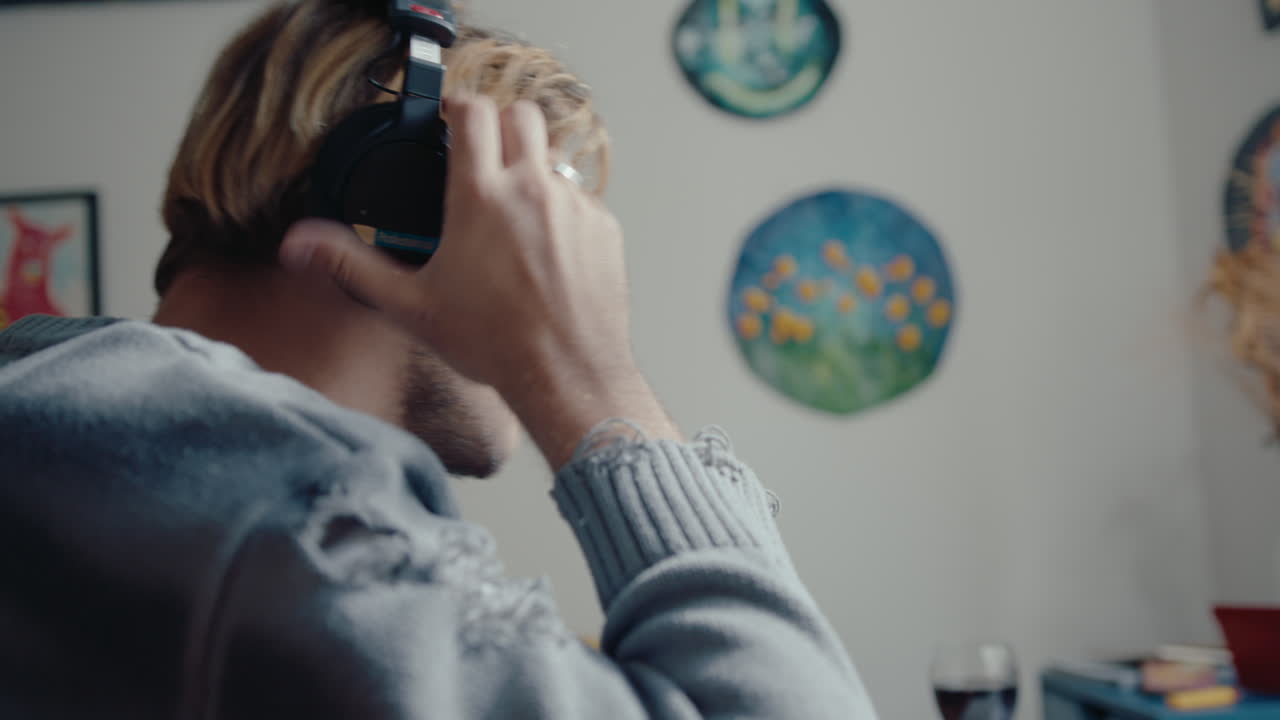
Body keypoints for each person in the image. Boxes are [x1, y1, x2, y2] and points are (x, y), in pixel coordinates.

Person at [0, 1, 878, 718]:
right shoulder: (283, 519)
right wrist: (591, 377)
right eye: (524, 212)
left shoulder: (79, 432)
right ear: (399, 199)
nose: (564, 265)